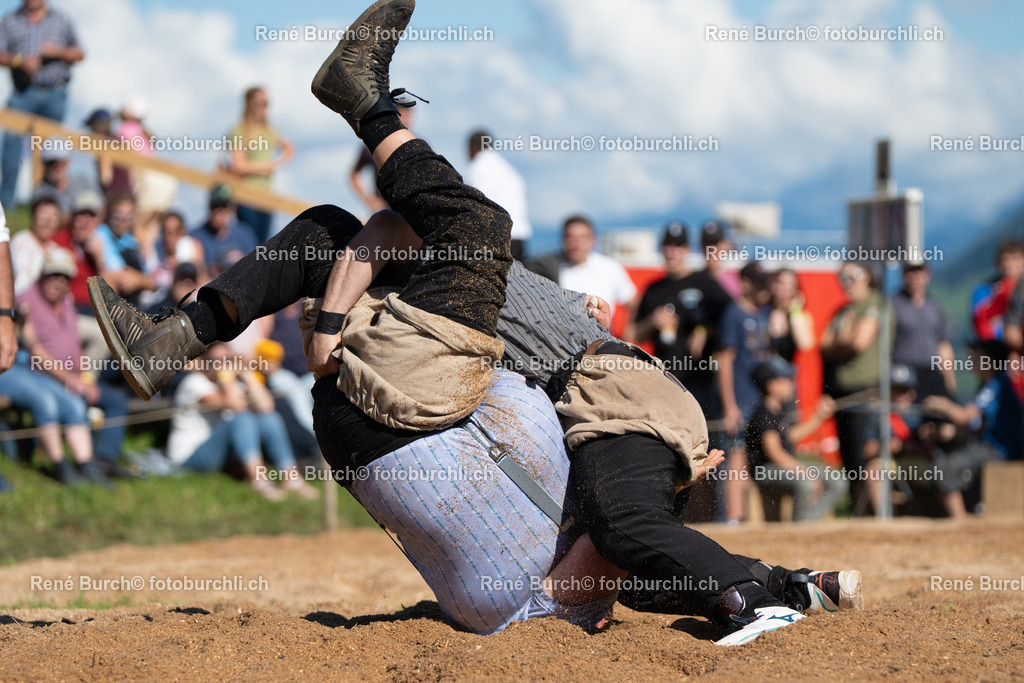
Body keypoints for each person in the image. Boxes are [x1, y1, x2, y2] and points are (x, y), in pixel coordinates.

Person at [86, 0, 860, 644]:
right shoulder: (454, 280)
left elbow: (391, 230)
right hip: (592, 383)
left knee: (623, 519)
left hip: (621, 395)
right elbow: (369, 234)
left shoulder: (466, 260)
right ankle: (171, 339)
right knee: (326, 227)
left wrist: (327, 321)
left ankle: (365, 101)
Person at [18, 247, 127, 470]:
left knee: (116, 400)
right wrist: (68, 378)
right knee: (75, 400)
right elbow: (34, 351)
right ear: (42, 274)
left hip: (72, 375)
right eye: (54, 275)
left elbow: (76, 347)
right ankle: (82, 463)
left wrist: (86, 378)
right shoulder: (25, 302)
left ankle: (106, 458)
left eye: (65, 277)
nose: (59, 282)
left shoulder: (66, 302)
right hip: (40, 377)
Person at [166, 343, 314, 500]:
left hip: (220, 453)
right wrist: (227, 377)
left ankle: (291, 477)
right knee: (241, 418)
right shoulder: (194, 383)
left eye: (227, 360)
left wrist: (246, 373)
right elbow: (235, 405)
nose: (222, 365)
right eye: (215, 361)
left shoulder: (230, 384)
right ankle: (259, 481)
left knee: (270, 418)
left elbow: (267, 406)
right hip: (189, 458)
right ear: (203, 362)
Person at [820, 261, 892, 513]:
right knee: (849, 457)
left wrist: (841, 339)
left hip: (866, 393)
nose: (846, 281)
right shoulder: (844, 310)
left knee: (867, 453)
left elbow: (858, 342)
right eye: (843, 276)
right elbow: (823, 346)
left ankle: (876, 512)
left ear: (867, 276)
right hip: (842, 394)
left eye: (852, 275)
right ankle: (856, 512)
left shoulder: (874, 304)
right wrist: (843, 341)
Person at [0, 0, 84, 211]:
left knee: (52, 151)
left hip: (55, 93)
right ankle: (6, 207)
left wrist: (57, 52)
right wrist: (20, 61)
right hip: (23, 92)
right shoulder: (9, 20)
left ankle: (45, 205)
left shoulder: (61, 19)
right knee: (11, 147)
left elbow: (79, 53)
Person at [745, 357, 845, 521]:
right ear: (772, 386)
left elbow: (790, 436)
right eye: (787, 380)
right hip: (766, 470)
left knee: (837, 480)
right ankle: (799, 528)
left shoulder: (778, 411)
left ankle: (810, 521)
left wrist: (819, 417)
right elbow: (774, 452)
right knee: (804, 483)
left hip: (781, 466)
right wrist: (805, 473)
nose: (792, 384)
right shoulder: (764, 414)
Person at [718, 261, 775, 523]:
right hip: (740, 398)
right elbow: (726, 359)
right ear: (746, 283)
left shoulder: (763, 313)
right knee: (736, 454)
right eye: (759, 282)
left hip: (758, 398)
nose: (765, 288)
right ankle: (733, 516)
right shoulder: (734, 313)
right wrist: (729, 405)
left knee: (750, 455)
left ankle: (747, 517)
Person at [51, 191, 114, 364]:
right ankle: (81, 382)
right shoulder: (59, 242)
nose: (86, 222)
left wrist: (100, 259)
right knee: (103, 336)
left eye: (91, 216)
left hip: (91, 312)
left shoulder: (95, 248)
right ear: (72, 217)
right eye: (81, 215)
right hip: (66, 311)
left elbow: (108, 294)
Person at [226, 86, 295, 242]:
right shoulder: (239, 130)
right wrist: (267, 167)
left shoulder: (270, 130)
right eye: (260, 103)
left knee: (263, 244)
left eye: (267, 103)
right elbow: (238, 165)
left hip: (267, 194)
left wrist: (276, 163)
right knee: (249, 243)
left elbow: (290, 149)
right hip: (246, 194)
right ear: (250, 104)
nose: (264, 107)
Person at [554, 215, 637, 330]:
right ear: (563, 239)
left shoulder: (610, 267)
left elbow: (634, 303)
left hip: (603, 341)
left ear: (593, 240)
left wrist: (628, 331)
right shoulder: (551, 269)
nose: (576, 243)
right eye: (571, 237)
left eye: (582, 237)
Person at [891, 262, 956, 401]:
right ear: (903, 275)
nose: (915, 277)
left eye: (919, 272)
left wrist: (949, 380)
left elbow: (943, 346)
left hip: (931, 371)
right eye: (910, 272)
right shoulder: (892, 305)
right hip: (903, 375)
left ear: (927, 274)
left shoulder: (935, 306)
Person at [465, 129, 532, 260]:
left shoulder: (477, 169)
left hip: (495, 239)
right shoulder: (509, 170)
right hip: (519, 238)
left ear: (472, 147)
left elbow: (476, 207)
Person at [349, 105, 414, 213]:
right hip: (384, 212)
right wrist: (369, 200)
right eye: (403, 116)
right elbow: (354, 175)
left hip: (409, 211)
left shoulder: (417, 144)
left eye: (409, 116)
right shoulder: (372, 145)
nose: (406, 120)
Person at [94, 192, 155, 307]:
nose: (123, 222)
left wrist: (138, 280)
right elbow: (114, 274)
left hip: (134, 303)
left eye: (129, 216)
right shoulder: (101, 235)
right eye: (119, 216)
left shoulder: (134, 242)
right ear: (109, 215)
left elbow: (151, 282)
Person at [191, 185, 258, 269]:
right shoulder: (196, 237)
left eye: (224, 207)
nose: (219, 212)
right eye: (215, 206)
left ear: (232, 209)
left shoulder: (245, 234)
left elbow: (255, 267)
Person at [972, 239, 1024, 344]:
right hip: (998, 346)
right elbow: (981, 320)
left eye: (1015, 259)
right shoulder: (985, 290)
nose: (1009, 264)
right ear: (997, 263)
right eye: (1004, 260)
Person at [10, 194, 60, 295]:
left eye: (52, 217)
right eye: (43, 216)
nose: (47, 222)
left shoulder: (56, 250)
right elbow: (20, 282)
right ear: (33, 217)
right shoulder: (20, 242)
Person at [767, 267, 814, 364]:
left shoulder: (800, 315)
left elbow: (805, 344)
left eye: (791, 285)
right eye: (781, 283)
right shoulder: (763, 311)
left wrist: (795, 310)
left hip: (785, 373)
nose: (786, 289)